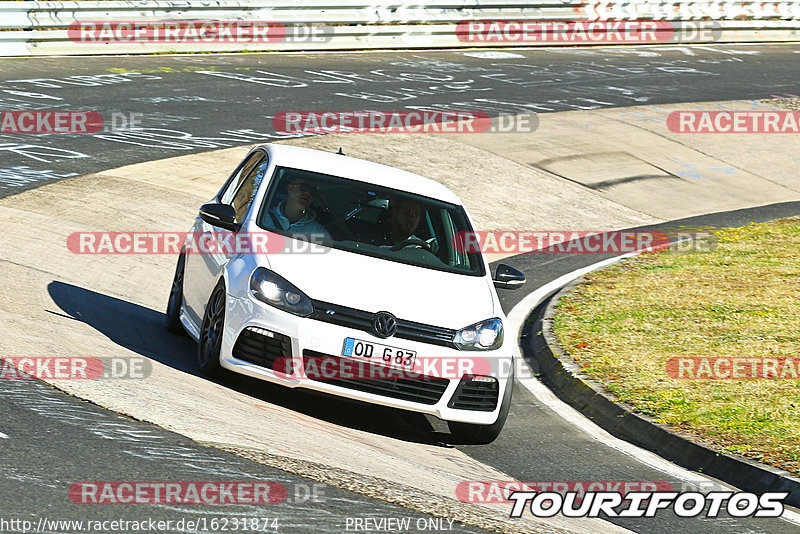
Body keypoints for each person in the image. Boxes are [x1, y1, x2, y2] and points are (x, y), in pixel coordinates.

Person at [266, 178, 330, 241]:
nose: (308, 193)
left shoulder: (318, 233)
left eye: (313, 192)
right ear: (290, 188)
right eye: (304, 187)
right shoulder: (264, 218)